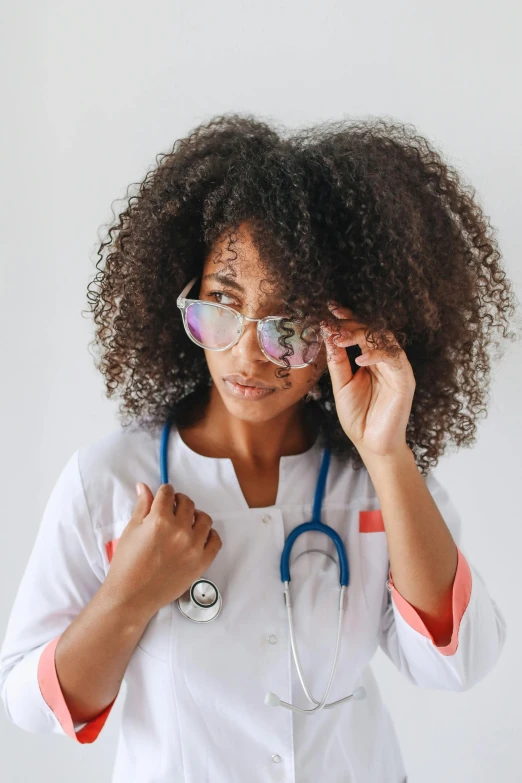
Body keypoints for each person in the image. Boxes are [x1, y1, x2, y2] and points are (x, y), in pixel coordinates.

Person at [0, 114, 517, 783]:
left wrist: (388, 453)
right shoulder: (109, 481)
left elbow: (461, 662)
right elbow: (29, 705)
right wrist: (127, 597)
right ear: (181, 295)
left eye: (291, 325)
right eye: (222, 302)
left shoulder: (374, 483)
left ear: (347, 328)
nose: (247, 353)